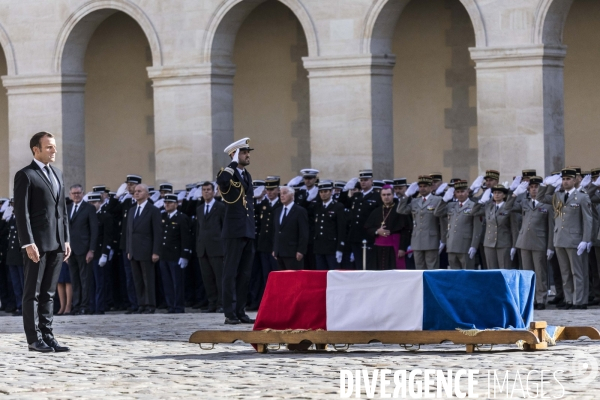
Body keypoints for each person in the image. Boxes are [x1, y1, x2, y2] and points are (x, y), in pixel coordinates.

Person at [14, 131, 71, 353]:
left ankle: (48, 336)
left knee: (49, 293)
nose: (54, 150)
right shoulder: (25, 175)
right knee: (33, 293)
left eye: (54, 146)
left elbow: (62, 211)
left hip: (57, 242)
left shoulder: (57, 174)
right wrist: (28, 242)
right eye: (49, 147)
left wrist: (65, 239)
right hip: (36, 244)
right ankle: (34, 339)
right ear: (35, 149)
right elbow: (21, 212)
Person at [538, 168, 593, 309]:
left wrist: (585, 240)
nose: (565, 181)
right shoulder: (558, 196)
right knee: (565, 272)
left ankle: (579, 301)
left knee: (577, 272)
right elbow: (541, 198)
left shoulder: (582, 196)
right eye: (563, 179)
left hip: (575, 239)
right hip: (560, 238)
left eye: (568, 179)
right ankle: (569, 300)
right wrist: (546, 185)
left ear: (575, 180)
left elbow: (588, 220)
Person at [216, 137, 256, 325]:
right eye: (244, 152)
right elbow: (222, 181)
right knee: (230, 273)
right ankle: (229, 313)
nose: (248, 155)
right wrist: (232, 161)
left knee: (245, 274)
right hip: (233, 231)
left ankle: (240, 311)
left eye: (248, 152)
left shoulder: (246, 175)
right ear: (235, 154)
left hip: (247, 229)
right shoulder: (228, 172)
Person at [508, 177, 554, 309]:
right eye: (532, 187)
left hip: (539, 242)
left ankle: (541, 299)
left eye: (537, 187)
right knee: (527, 273)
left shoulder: (547, 205)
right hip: (524, 241)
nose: (534, 189)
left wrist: (550, 246)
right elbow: (508, 207)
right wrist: (515, 194)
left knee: (540, 272)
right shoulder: (524, 202)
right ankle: (530, 299)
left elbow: (550, 226)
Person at [126, 184, 162, 314]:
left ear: (147, 194)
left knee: (148, 279)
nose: (136, 193)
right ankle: (141, 303)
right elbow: (129, 232)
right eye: (135, 191)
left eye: (139, 191)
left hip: (147, 250)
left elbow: (157, 233)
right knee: (138, 280)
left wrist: (156, 251)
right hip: (134, 251)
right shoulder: (131, 210)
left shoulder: (153, 210)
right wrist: (128, 249)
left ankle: (150, 304)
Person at [338, 169, 383, 269]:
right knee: (358, 265)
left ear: (371, 181)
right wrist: (345, 190)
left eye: (366, 180)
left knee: (368, 264)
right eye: (361, 180)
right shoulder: (357, 196)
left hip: (369, 236)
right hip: (355, 236)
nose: (363, 182)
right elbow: (342, 203)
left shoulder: (377, 196)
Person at [397, 175, 443, 270]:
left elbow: (442, 221)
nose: (422, 189)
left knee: (432, 268)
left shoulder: (437, 200)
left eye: (425, 186)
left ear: (431, 187)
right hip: (417, 240)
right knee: (419, 268)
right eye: (420, 186)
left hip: (431, 239)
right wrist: (406, 195)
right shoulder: (415, 201)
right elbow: (401, 210)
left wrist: (442, 239)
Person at [434, 180, 482, 269]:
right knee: (454, 274)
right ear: (454, 193)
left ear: (467, 192)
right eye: (458, 192)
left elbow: (477, 228)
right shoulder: (451, 205)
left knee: (467, 273)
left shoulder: (473, 206)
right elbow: (437, 213)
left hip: (465, 246)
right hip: (451, 245)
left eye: (462, 191)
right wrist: (444, 200)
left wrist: (474, 246)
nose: (460, 194)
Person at [66, 184, 98, 315]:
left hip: (84, 249)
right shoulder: (67, 208)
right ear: (70, 195)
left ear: (82, 193)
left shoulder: (89, 208)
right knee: (74, 279)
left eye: (78, 193)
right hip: (71, 250)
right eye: (73, 193)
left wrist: (92, 249)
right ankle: (77, 305)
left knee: (85, 279)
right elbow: (64, 230)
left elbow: (94, 230)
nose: (76, 195)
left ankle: (85, 305)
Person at [158, 194, 191, 314]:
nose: (167, 204)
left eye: (170, 203)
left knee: (177, 282)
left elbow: (185, 238)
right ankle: (170, 305)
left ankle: (178, 306)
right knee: (167, 282)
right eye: (165, 202)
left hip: (176, 255)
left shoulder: (181, 218)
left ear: (176, 204)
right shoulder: (162, 216)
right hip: (164, 255)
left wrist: (184, 255)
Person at [365, 185, 411, 270]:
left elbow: (406, 230)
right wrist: (377, 231)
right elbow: (368, 227)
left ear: (393, 195)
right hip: (379, 248)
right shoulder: (376, 211)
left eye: (389, 194)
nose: (386, 197)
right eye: (384, 195)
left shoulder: (399, 209)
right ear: (381, 196)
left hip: (395, 247)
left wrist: (402, 248)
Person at [196, 182, 225, 314]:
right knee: (207, 278)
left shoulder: (220, 207)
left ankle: (221, 303)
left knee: (219, 278)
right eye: (204, 190)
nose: (206, 192)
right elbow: (198, 229)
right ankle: (212, 303)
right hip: (203, 248)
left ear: (214, 192)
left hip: (217, 247)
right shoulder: (200, 208)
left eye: (208, 190)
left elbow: (224, 227)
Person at [471, 184, 516, 269]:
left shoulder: (508, 207)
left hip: (503, 243)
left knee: (504, 269)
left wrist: (514, 246)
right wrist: (480, 202)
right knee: (491, 270)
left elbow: (514, 228)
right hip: (489, 243)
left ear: (504, 195)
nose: (496, 195)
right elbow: (473, 212)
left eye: (499, 193)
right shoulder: (489, 207)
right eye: (494, 192)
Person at [254, 177, 281, 303]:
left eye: (272, 189)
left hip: (275, 247)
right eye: (268, 189)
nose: (269, 192)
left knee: (276, 275)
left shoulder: (281, 204)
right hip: (263, 246)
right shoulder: (263, 204)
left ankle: (278, 299)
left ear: (278, 190)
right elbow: (259, 224)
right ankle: (268, 300)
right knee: (266, 275)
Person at [86, 193, 113, 314]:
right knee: (90, 282)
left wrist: (105, 254)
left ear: (100, 203)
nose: (93, 205)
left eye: (95, 202)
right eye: (90, 203)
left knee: (100, 282)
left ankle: (99, 307)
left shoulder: (105, 216)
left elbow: (107, 237)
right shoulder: (88, 216)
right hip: (88, 253)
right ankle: (91, 306)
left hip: (99, 252)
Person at [272, 186, 309, 270]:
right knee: (282, 279)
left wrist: (301, 250)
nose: (282, 196)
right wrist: (275, 248)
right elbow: (276, 231)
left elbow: (304, 232)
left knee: (294, 279)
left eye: (284, 193)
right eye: (280, 193)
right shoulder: (278, 211)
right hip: (280, 252)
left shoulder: (300, 211)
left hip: (293, 252)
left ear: (292, 195)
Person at [313, 181, 346, 270]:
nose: (323, 194)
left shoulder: (338, 206)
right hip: (319, 247)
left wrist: (340, 248)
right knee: (320, 275)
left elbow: (341, 228)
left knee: (334, 274)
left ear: (331, 192)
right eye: (321, 192)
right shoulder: (317, 207)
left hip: (332, 247)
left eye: (326, 191)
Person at [5, 199, 24, 316]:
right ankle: (19, 305)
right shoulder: (11, 218)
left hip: (20, 255)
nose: (13, 206)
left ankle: (24, 307)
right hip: (12, 256)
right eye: (12, 204)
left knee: (23, 283)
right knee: (16, 283)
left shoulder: (23, 218)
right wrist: (3, 219)